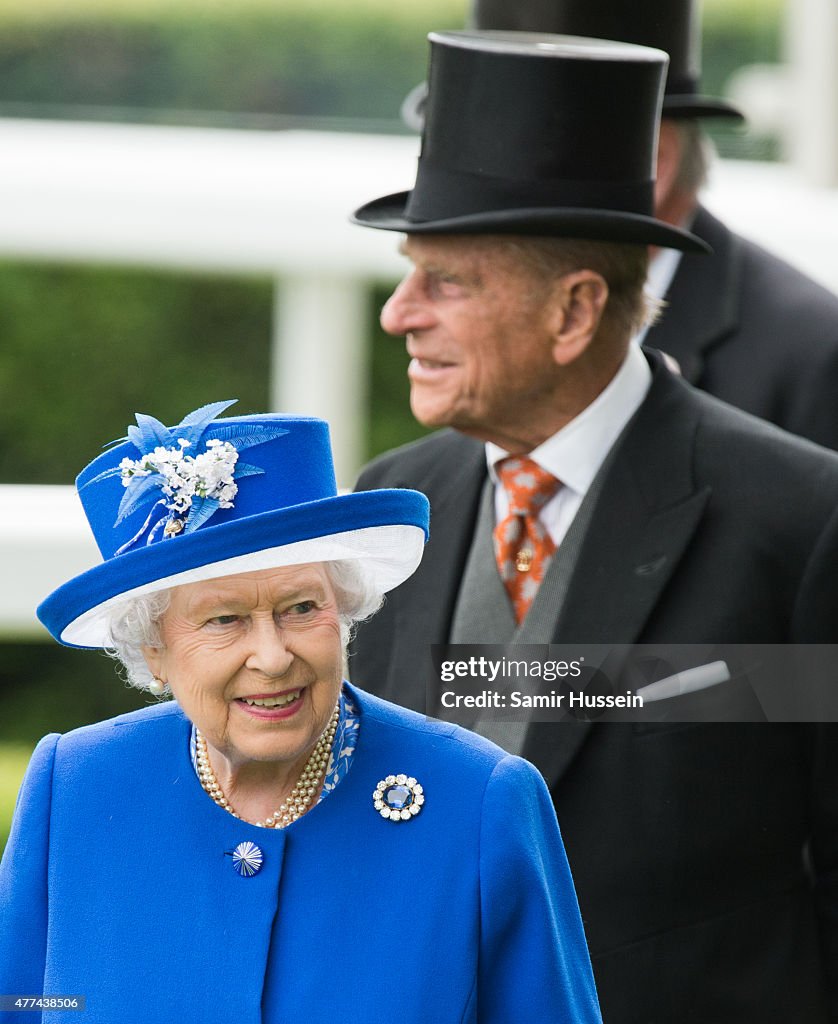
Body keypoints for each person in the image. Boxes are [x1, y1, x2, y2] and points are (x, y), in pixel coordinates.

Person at [351, 30, 838, 1024]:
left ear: (574, 310)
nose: (399, 313)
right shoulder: (398, 500)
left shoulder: (800, 520)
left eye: (446, 281)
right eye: (409, 273)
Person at [0, 400, 602, 1024]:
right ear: (155, 650)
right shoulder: (74, 785)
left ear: (343, 611)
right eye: (224, 619)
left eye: (301, 608)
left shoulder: (479, 802)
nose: (273, 655)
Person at [403, 0, 838, 450]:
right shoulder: (425, 451)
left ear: (653, 164)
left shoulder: (811, 357)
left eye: (511, 162)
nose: (467, 198)